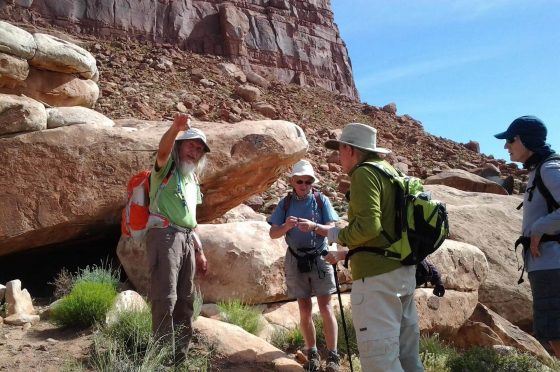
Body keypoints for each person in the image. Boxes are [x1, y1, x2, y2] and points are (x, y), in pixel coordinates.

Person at [318, 123, 424, 372]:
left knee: (380, 362)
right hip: (402, 273)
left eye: (340, 150)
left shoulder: (364, 173)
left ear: (350, 150)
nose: (338, 156)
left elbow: (369, 228)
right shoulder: (390, 172)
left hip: (377, 280)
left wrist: (337, 234)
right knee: (409, 359)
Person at [146, 113, 209, 364]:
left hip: (185, 239)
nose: (194, 151)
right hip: (164, 235)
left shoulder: (193, 179)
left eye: (199, 149)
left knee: (185, 299)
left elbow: (190, 219)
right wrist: (176, 128)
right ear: (180, 146)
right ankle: (161, 359)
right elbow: (162, 150)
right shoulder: (166, 168)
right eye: (190, 145)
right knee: (166, 298)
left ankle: (179, 356)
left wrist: (199, 250)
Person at [494, 115, 560, 357]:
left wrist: (539, 228)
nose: (506, 146)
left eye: (510, 140)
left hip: (553, 267)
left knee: (555, 333)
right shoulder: (539, 170)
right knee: (552, 333)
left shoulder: (550, 168)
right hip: (547, 266)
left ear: (524, 140)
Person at [269, 160, 341, 372]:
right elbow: (273, 233)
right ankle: (312, 354)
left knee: (326, 307)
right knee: (304, 309)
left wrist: (314, 227)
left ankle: (333, 356)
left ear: (312, 182)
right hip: (295, 259)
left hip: (319, 258)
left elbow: (332, 230)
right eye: (299, 181)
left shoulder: (321, 200)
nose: (303, 184)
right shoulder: (285, 203)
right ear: (292, 182)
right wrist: (285, 226)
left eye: (307, 181)